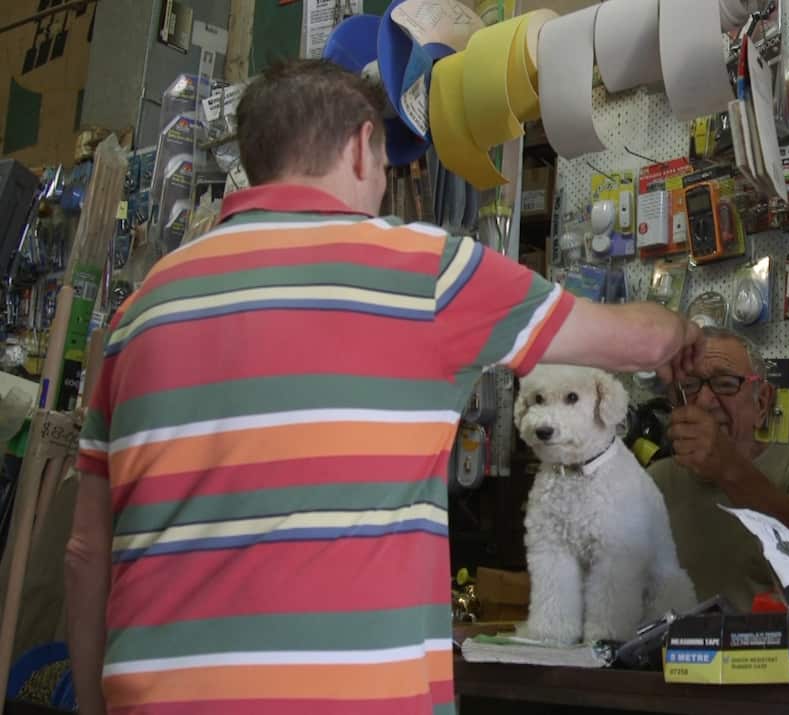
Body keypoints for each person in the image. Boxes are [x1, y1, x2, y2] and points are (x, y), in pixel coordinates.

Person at [63, 59, 702, 715]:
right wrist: (683, 332)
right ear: (361, 147)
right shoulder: (427, 272)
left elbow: (86, 553)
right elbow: (637, 342)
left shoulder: (139, 312)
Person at [649, 327, 789, 612]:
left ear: (762, 402)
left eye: (725, 384)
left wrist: (728, 467)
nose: (704, 401)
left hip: (768, 640)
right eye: (689, 386)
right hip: (675, 640)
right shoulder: (654, 482)